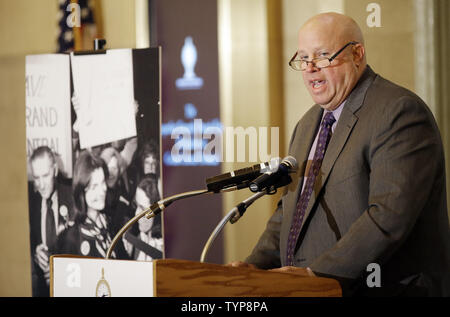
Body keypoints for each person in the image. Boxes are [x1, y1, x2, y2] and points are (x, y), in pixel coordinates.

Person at [229, 12, 450, 296]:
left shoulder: (398, 112)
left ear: (357, 53)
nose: (309, 68)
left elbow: (388, 216)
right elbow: (290, 210)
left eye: (322, 56)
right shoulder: (308, 123)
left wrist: (317, 276)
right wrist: (256, 267)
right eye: (303, 58)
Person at [28, 146, 73, 297]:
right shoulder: (29, 203)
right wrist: (35, 252)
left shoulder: (72, 198)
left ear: (54, 171)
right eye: (36, 177)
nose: (40, 184)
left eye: (45, 175)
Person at [57, 151, 117, 259]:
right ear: (81, 192)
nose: (102, 190)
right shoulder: (72, 237)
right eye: (94, 186)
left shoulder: (111, 224)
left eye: (103, 182)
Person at [123, 175, 163, 261]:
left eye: (143, 208)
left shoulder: (166, 249)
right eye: (136, 205)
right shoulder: (139, 239)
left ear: (158, 211)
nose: (136, 213)